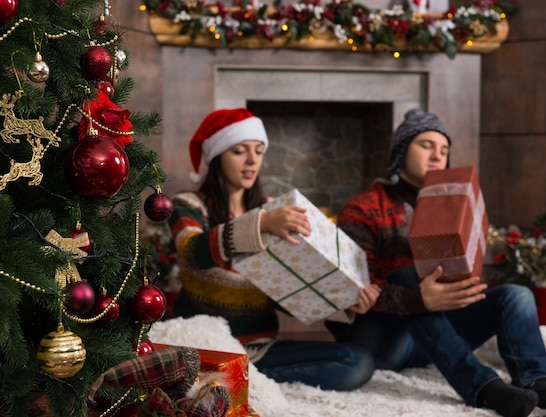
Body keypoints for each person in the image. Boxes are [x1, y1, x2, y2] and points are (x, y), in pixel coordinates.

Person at [326, 108, 546, 417]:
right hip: (381, 340)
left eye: (444, 150)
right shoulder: (363, 208)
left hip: (433, 338)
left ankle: (536, 380)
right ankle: (482, 388)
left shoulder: (455, 207)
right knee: (406, 274)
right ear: (401, 152)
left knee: (516, 295)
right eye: (426, 145)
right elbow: (350, 290)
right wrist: (418, 300)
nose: (437, 155)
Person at [167, 108, 375, 391]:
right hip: (206, 344)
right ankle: (230, 380)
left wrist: (342, 298)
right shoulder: (189, 204)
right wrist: (261, 223)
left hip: (260, 350)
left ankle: (239, 382)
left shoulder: (273, 207)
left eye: (259, 150)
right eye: (240, 151)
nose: (253, 160)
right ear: (217, 156)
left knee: (357, 362)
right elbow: (192, 251)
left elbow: (289, 290)